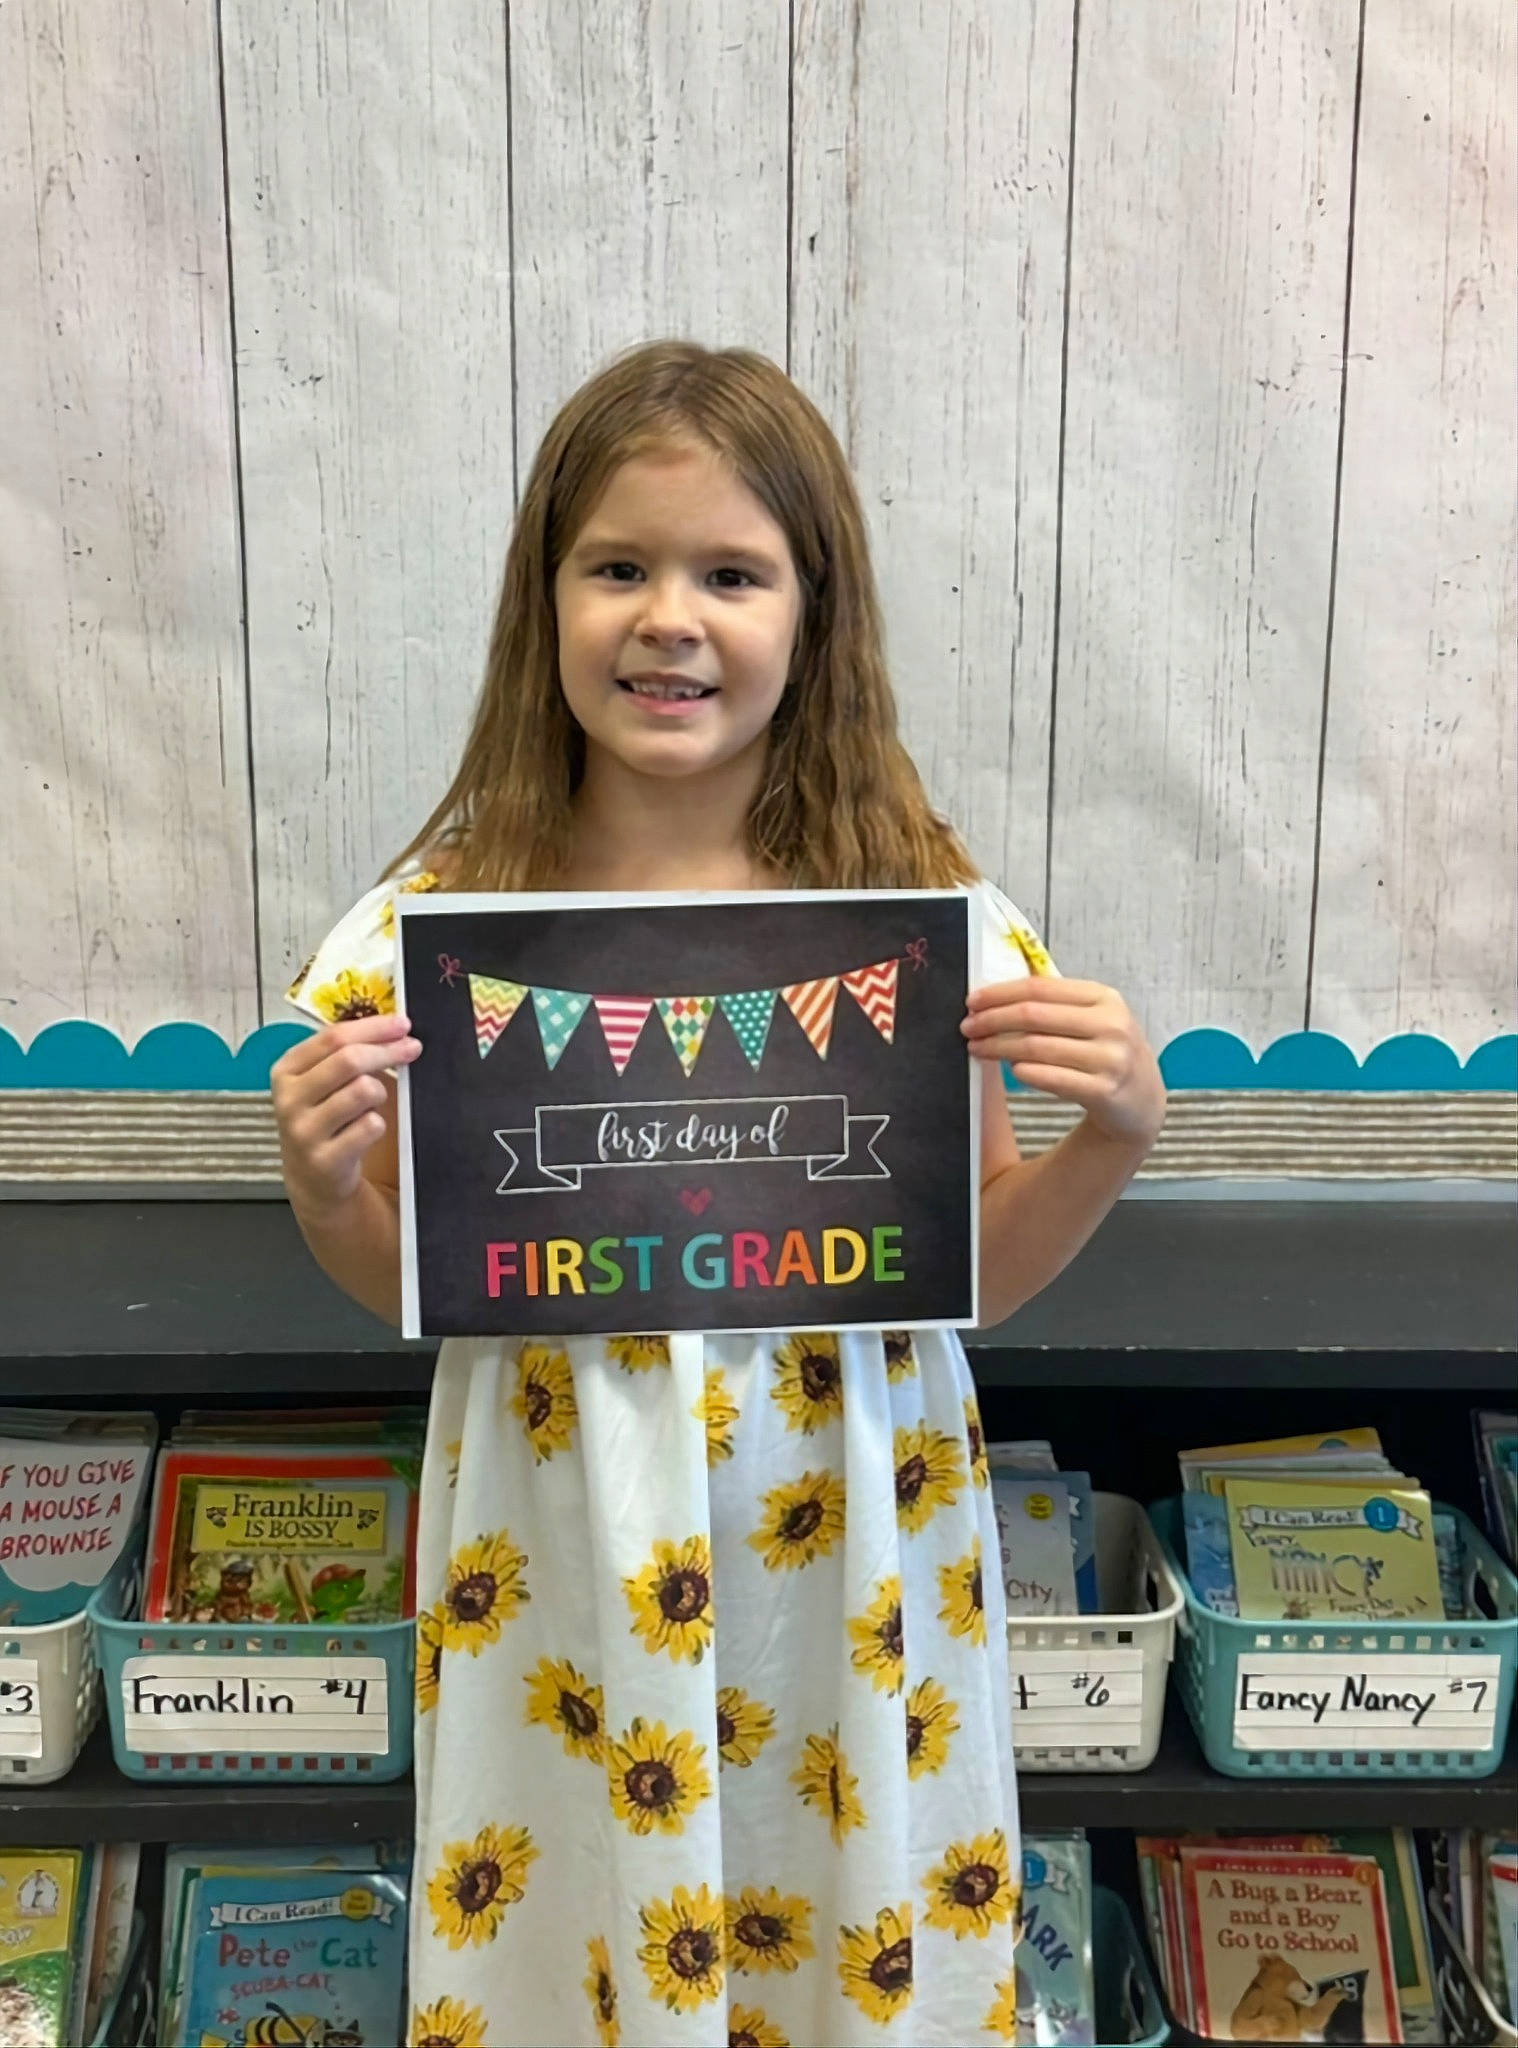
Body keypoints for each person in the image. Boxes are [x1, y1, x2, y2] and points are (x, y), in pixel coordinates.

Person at [274, 342, 1165, 2048]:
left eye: (729, 573)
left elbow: (971, 1259)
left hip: (855, 1512)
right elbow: (407, 1270)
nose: (666, 616)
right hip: (555, 1508)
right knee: (571, 1897)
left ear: (811, 616)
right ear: (544, 602)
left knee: (855, 1897)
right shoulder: (443, 921)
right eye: (617, 566)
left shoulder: (911, 911)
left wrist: (1111, 1137)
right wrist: (327, 1191)